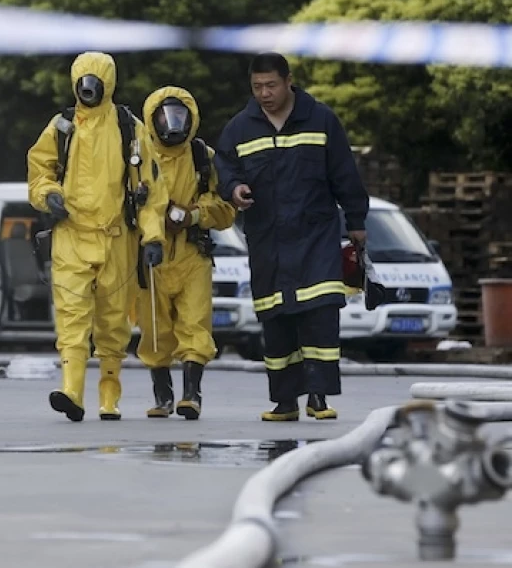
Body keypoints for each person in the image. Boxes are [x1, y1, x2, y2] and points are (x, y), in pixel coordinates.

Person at [214, 52, 369, 422]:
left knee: (319, 313)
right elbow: (224, 168)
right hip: (268, 240)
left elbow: (344, 174)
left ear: (288, 81)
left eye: (270, 85)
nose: (264, 93)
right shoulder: (240, 128)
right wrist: (234, 189)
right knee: (276, 318)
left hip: (315, 235)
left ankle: (318, 396)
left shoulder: (321, 120)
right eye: (257, 87)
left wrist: (357, 222)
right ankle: (285, 402)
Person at [27, 51, 168, 422]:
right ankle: (72, 390)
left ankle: (109, 395)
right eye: (83, 82)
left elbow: (150, 190)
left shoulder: (128, 127)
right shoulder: (60, 127)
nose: (89, 89)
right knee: (71, 318)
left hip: (116, 238)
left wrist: (153, 238)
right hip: (70, 235)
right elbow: (39, 171)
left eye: (96, 82)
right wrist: (49, 196)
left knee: (112, 321)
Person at [138, 86, 237, 420]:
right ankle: (162, 396)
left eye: (180, 116)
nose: (172, 124)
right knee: (155, 328)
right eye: (166, 116)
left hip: (192, 254)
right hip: (150, 256)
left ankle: (191, 395)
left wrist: (193, 215)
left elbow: (225, 207)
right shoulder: (137, 156)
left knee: (195, 323)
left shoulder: (202, 158)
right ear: (152, 119)